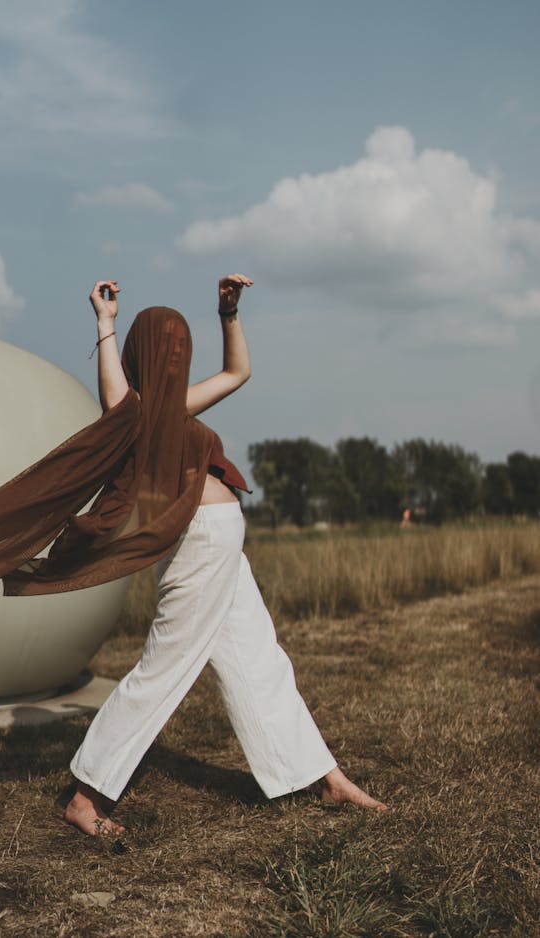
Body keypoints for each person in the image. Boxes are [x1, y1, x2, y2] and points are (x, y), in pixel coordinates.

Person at [64, 275, 386, 836]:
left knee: (259, 660)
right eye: (167, 348)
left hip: (221, 544)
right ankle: (86, 796)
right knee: (164, 668)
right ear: (145, 354)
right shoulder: (133, 413)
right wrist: (106, 323)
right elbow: (113, 394)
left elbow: (239, 372)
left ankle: (321, 774)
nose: (176, 358)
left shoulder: (178, 407)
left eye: (182, 348)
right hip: (198, 545)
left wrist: (227, 314)